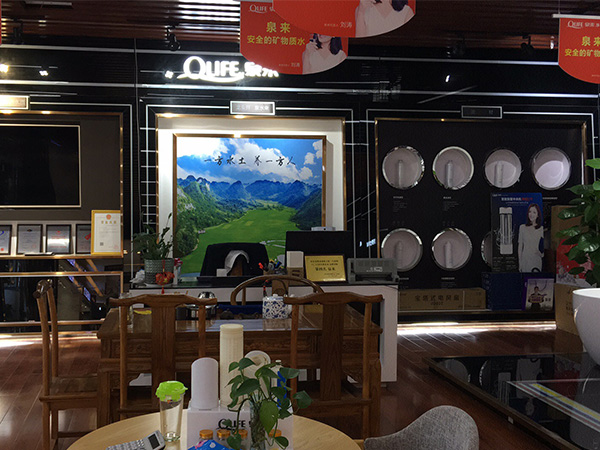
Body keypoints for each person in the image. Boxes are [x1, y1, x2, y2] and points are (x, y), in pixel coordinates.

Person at [518, 203, 544, 272]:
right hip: (525, 260)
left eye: (534, 212)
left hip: (536, 259)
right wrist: (520, 263)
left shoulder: (541, 229)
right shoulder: (522, 227)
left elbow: (548, 243)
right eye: (530, 212)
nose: (531, 214)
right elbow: (520, 246)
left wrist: (542, 254)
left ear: (538, 215)